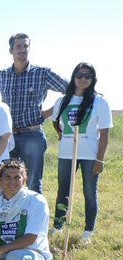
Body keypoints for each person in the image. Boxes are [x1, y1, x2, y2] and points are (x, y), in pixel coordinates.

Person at [0, 33, 68, 194]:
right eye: (18, 46)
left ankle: (35, 218)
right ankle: (10, 216)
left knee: (33, 182)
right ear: (11, 50)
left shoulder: (42, 73)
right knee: (5, 180)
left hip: (32, 135)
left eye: (25, 46)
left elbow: (70, 89)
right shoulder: (0, 75)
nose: (22, 50)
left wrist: (47, 113)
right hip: (7, 137)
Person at [49, 63, 112, 242]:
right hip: (66, 153)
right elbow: (55, 120)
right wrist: (61, 133)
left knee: (89, 192)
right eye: (79, 75)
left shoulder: (99, 101)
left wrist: (100, 160)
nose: (83, 79)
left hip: (90, 155)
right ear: (73, 77)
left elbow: (105, 134)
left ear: (93, 79)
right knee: (63, 191)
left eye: (88, 76)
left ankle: (88, 231)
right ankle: (58, 226)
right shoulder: (62, 101)